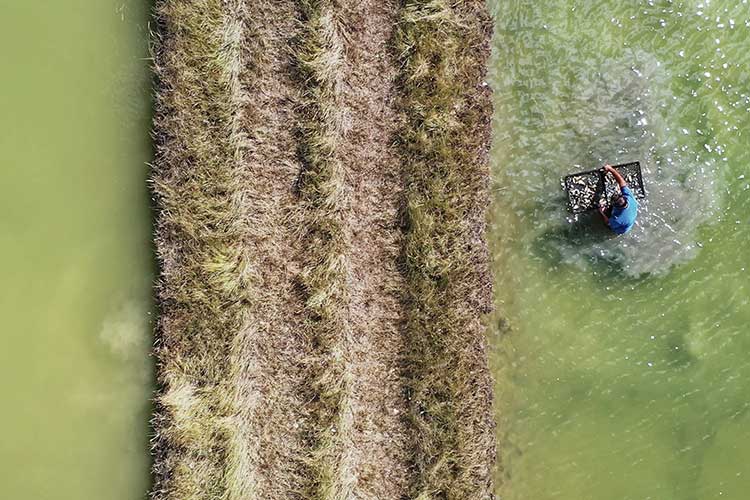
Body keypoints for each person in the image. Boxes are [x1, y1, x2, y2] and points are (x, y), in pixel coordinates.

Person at [598, 164, 638, 234]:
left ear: (616, 207)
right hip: (629, 216)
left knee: (606, 223)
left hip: (621, 228)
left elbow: (608, 222)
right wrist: (610, 169)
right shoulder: (629, 197)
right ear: (624, 198)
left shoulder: (617, 219)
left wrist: (601, 212)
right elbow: (621, 182)